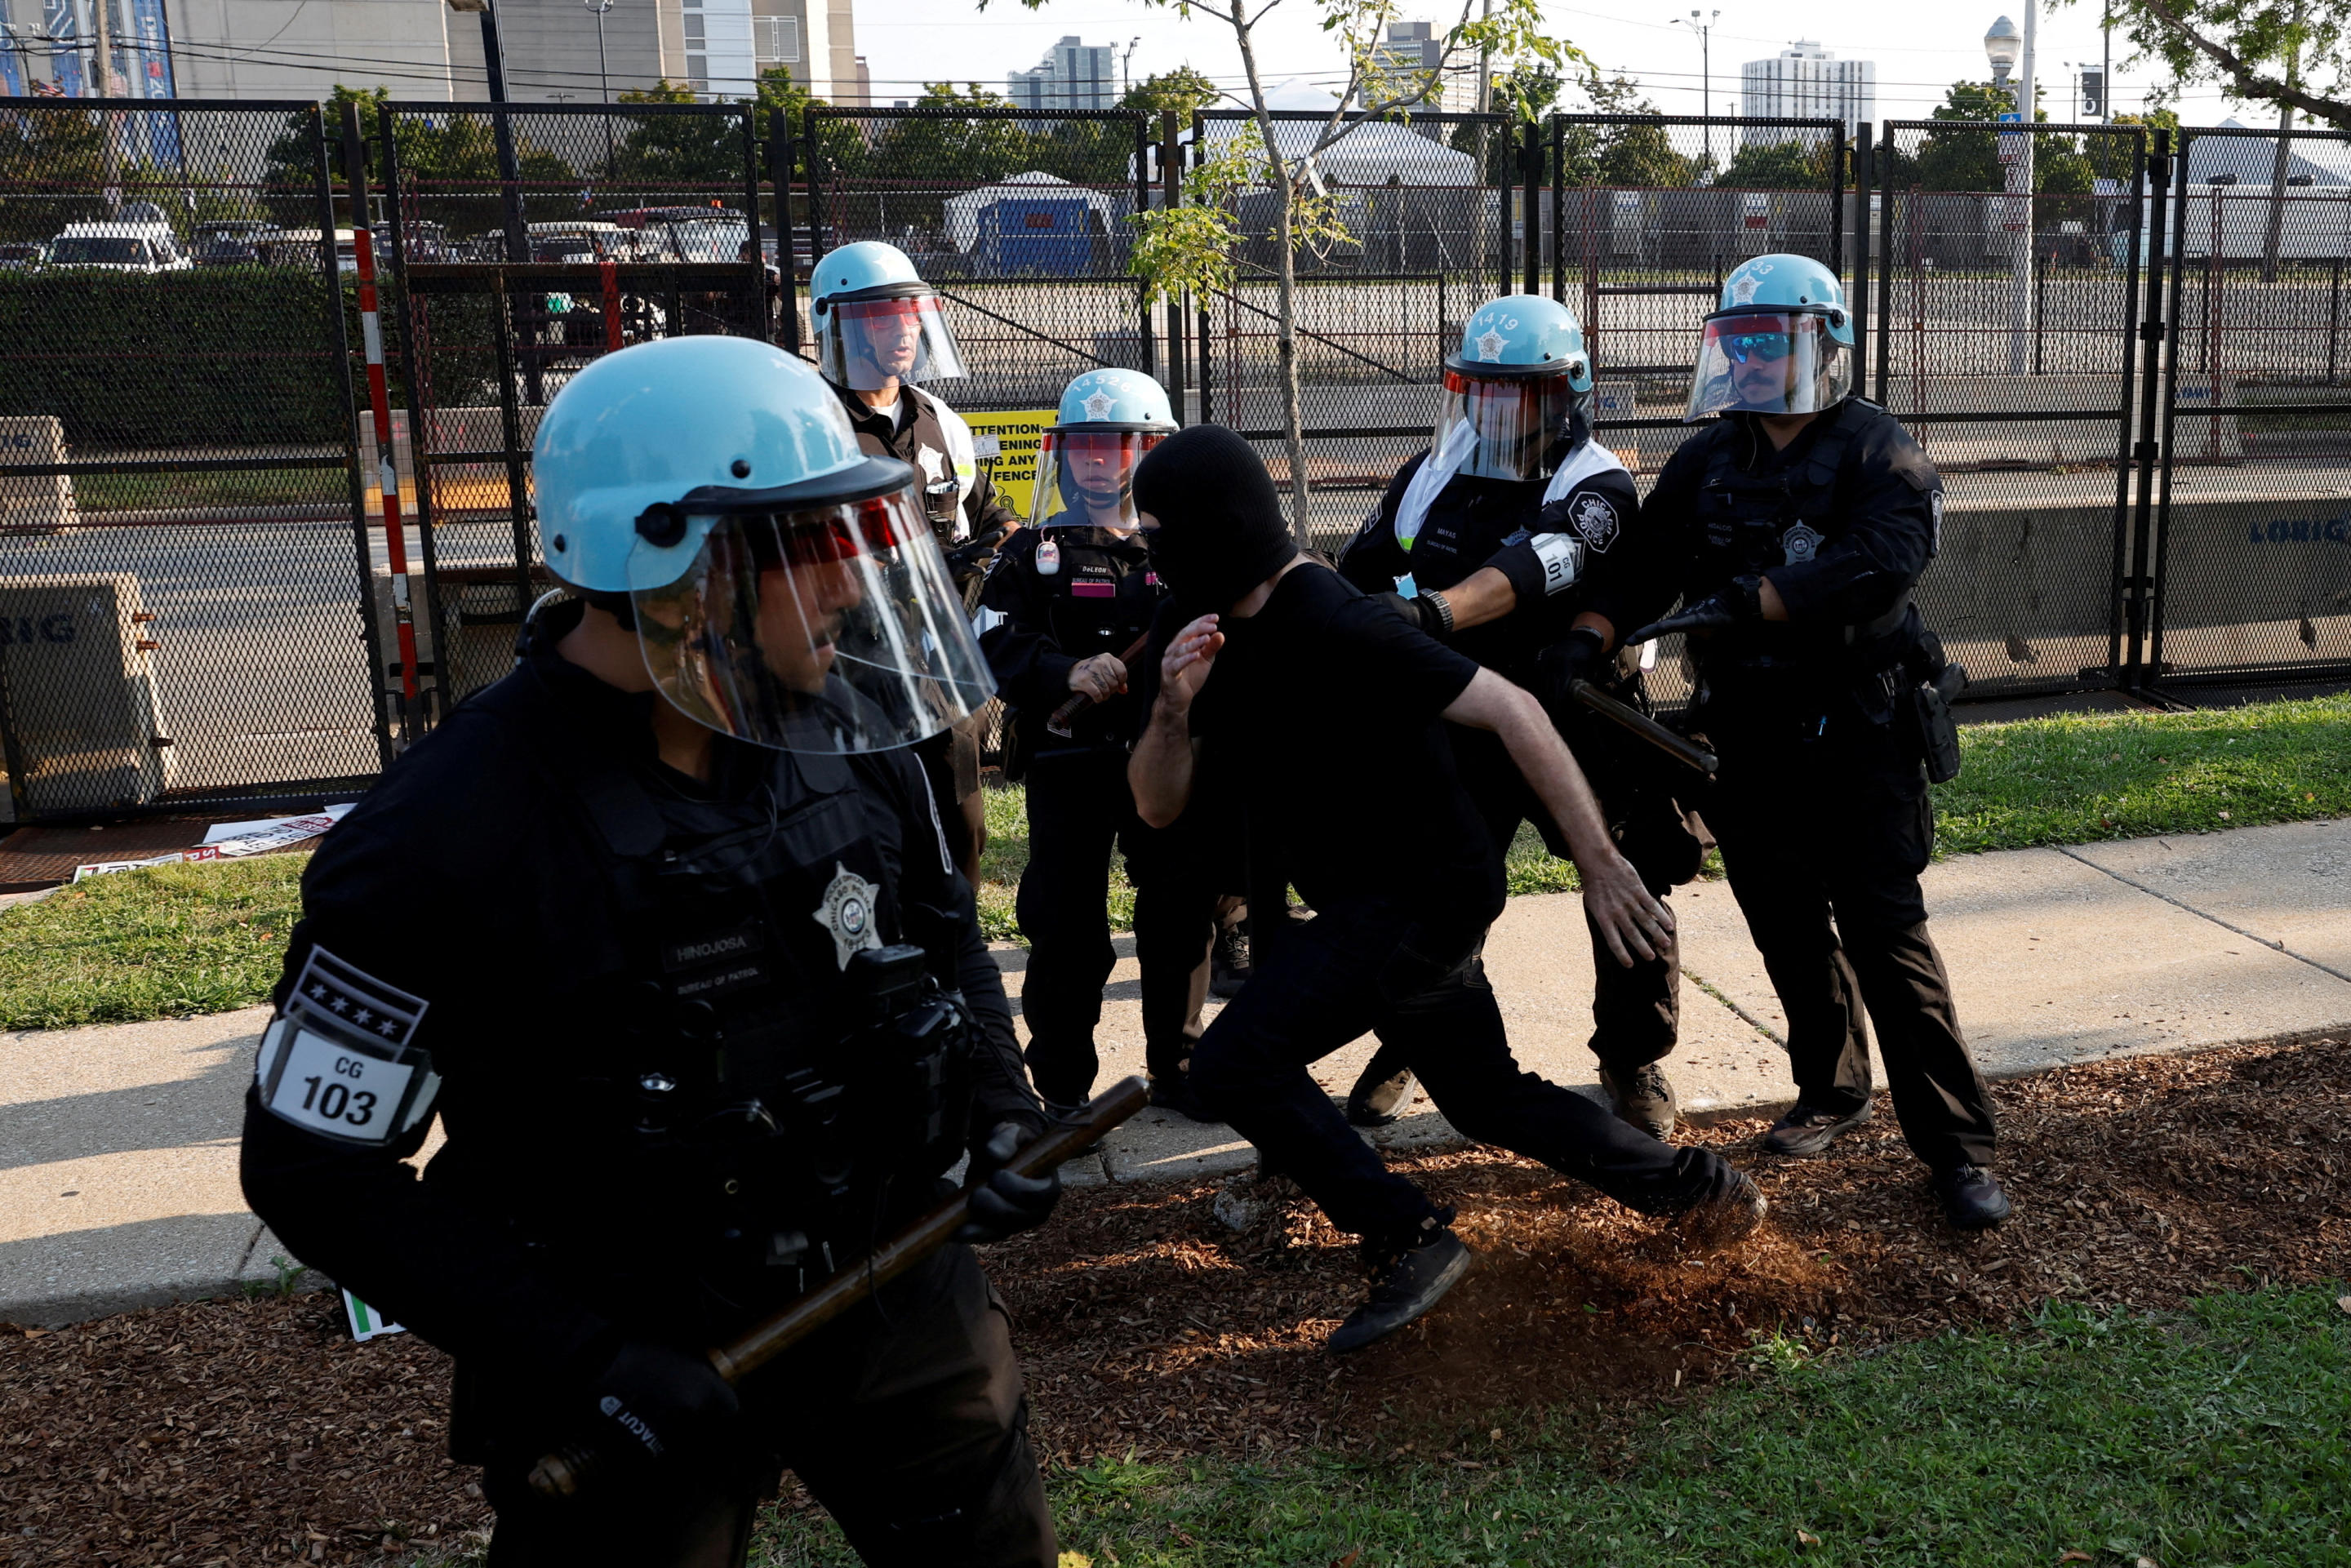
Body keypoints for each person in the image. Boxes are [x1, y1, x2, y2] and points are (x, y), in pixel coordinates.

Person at [240, 336, 1064, 1566]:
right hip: (625, 1339)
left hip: (897, 1280)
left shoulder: (850, 724)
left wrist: (1001, 1108)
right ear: (677, 565)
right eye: (812, 547)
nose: (852, 586)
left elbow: (941, 935)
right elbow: (312, 1170)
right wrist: (590, 1362)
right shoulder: (445, 833)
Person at [1126, 424, 1766, 1355]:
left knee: (1231, 1063)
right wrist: (1174, 710)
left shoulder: (1341, 619)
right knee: (1483, 1095)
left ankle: (1406, 1238)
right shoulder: (1191, 634)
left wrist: (1599, 865)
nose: (1152, 553)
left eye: (1161, 530)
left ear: (1217, 528)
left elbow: (1513, 709)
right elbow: (1155, 806)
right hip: (1371, 899)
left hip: (1426, 890)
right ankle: (1696, 1190)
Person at [1587, 252, 2011, 1231]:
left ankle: (1958, 1149)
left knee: (1887, 937)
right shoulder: (1708, 458)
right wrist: (1594, 629)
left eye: (1773, 341)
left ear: (1823, 343)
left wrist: (1757, 600)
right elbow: (1647, 564)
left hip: (1861, 735)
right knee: (1783, 924)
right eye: (1739, 342)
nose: (1754, 361)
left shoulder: (1882, 452)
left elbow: (1884, 565)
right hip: (1745, 737)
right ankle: (1831, 1088)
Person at [1335, 294, 1702, 1139]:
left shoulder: (1597, 484)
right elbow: (1362, 566)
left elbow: (1531, 567)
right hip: (1458, 716)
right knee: (1436, 891)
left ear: (1568, 391)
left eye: (1522, 393)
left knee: (1628, 878)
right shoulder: (1429, 475)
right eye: (1484, 390)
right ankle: (1411, 1039)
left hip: (1575, 715)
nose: (1500, 410)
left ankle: (1631, 1053)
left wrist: (1431, 616)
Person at [974, 369, 1221, 1122]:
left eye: (1116, 444)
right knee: (1064, 923)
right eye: (1082, 444)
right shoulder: (1033, 552)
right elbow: (990, 638)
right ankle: (1061, 1085)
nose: (1096, 460)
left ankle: (1179, 1069)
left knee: (1178, 913)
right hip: (1067, 762)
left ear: (1149, 449)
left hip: (1164, 754)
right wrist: (1063, 670)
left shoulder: (1190, 548)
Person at [810, 239, 1017, 887]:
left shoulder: (941, 422)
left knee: (964, 830)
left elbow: (989, 511)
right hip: (849, 667)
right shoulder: (810, 427)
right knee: (867, 839)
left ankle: (958, 958)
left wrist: (1012, 537)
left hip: (941, 664)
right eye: (880, 315)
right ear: (835, 324)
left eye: (907, 312)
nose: (901, 328)